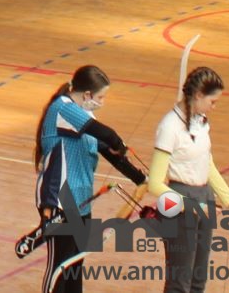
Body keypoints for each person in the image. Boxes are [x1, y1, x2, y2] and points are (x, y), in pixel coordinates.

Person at [34, 65, 146, 293]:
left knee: (75, 266)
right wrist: (120, 144)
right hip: (60, 200)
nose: (102, 102)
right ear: (86, 95)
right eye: (101, 97)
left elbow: (111, 153)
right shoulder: (62, 109)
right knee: (59, 267)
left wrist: (142, 178)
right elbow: (109, 136)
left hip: (82, 200)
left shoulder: (85, 117)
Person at [148, 67, 229, 293]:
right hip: (180, 203)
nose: (215, 107)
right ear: (198, 95)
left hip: (204, 197)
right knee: (179, 283)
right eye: (213, 101)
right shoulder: (169, 127)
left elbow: (207, 165)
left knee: (198, 279)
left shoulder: (201, 121)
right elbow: (155, 184)